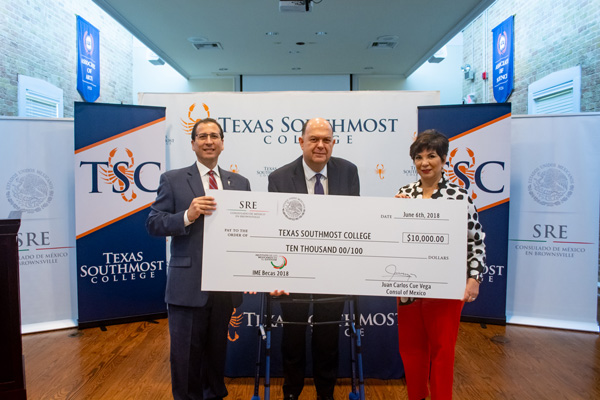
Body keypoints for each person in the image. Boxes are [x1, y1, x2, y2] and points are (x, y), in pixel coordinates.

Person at [146, 118, 251, 400]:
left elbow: (250, 233)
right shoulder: (173, 179)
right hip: (187, 287)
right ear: (192, 143)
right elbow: (154, 224)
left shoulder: (240, 183)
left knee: (216, 359)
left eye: (214, 136)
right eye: (202, 136)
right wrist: (187, 215)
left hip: (224, 288)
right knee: (186, 360)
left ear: (222, 143)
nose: (208, 141)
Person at [268, 118, 360, 400]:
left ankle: (325, 394)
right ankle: (292, 393)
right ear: (301, 142)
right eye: (314, 139)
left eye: (326, 140)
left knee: (328, 338)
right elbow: (273, 230)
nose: (321, 145)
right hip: (292, 271)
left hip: (333, 269)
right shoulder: (279, 178)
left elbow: (355, 220)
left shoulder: (348, 171)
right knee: (293, 338)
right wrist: (274, 273)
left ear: (333, 143)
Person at [394, 129, 485, 400]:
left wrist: (474, 278)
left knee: (443, 350)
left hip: (446, 287)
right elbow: (393, 239)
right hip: (408, 285)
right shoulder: (403, 193)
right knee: (410, 349)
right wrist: (393, 214)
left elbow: (476, 240)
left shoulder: (459, 196)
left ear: (443, 159)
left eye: (431, 156)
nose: (425, 163)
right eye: (419, 157)